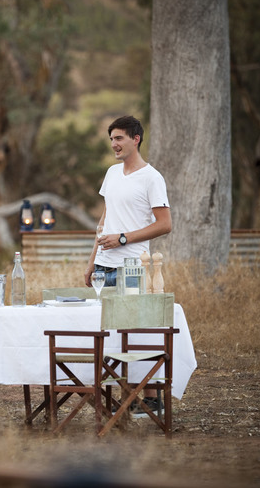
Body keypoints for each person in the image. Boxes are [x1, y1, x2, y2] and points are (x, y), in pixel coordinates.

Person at [84, 115, 172, 415]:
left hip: (132, 269)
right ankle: (115, 396)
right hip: (102, 267)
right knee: (104, 332)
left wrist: (123, 239)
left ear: (136, 139)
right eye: (111, 139)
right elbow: (104, 220)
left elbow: (165, 224)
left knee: (136, 331)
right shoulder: (111, 173)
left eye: (119, 138)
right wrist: (91, 259)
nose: (114, 144)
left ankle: (152, 398)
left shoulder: (152, 178)